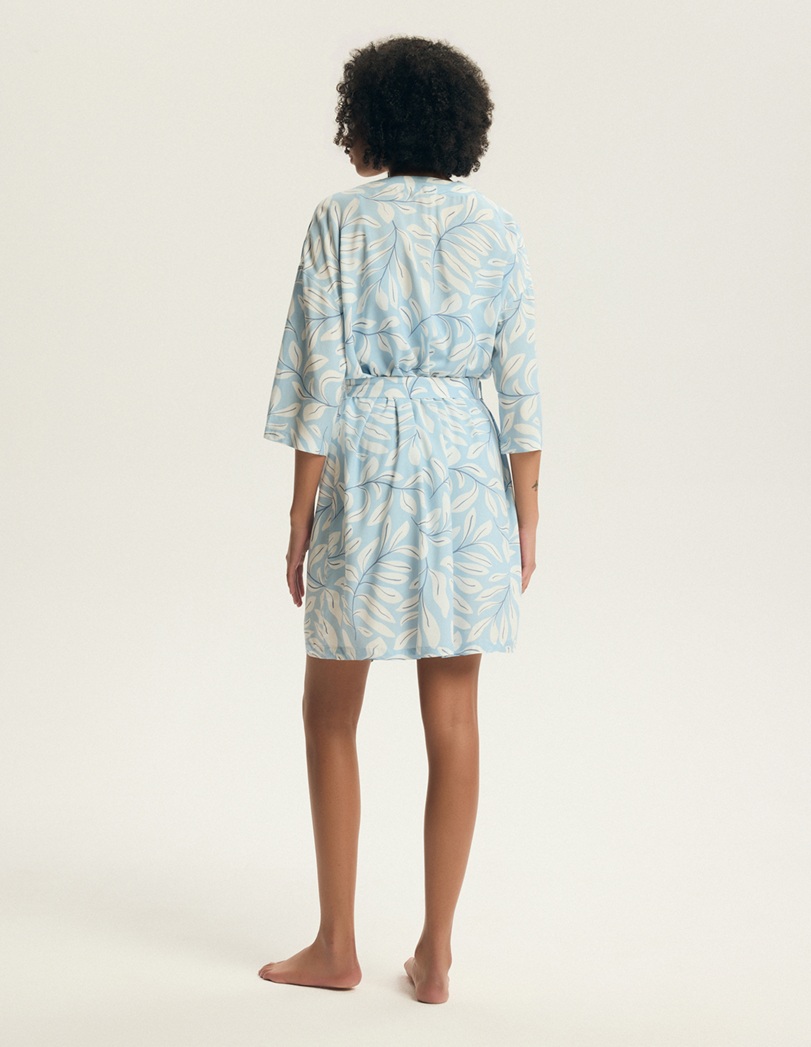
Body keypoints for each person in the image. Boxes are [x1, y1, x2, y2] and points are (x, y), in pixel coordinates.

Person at [258, 35, 542, 1005]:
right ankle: (436, 954)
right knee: (453, 714)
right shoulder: (495, 227)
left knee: (329, 709)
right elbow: (522, 383)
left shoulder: (339, 221)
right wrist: (526, 514)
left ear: (369, 120)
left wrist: (299, 513)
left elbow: (317, 376)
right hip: (465, 462)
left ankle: (336, 945)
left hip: (367, 458)